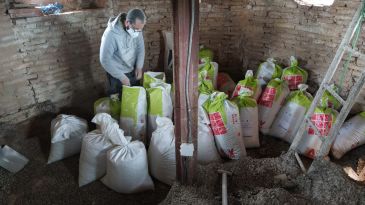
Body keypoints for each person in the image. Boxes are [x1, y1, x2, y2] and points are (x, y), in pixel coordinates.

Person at [100, 9, 146, 95]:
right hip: (116, 73)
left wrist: (139, 66)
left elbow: (140, 48)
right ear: (127, 23)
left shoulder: (137, 28)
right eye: (136, 29)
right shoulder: (111, 34)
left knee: (134, 98)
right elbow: (105, 60)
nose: (138, 33)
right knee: (118, 99)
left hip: (131, 69)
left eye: (140, 30)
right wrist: (121, 77)